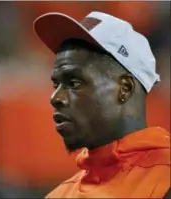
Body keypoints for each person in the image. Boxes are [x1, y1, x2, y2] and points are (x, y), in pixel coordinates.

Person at [34, 11, 170, 198]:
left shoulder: (165, 181)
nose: (55, 97)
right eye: (56, 85)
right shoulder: (58, 195)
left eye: (74, 83)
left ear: (125, 88)